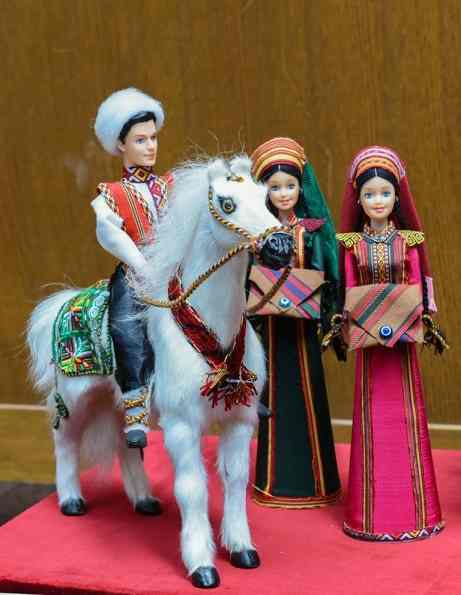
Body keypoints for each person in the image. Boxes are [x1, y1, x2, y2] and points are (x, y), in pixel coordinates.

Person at [337, 145, 447, 541]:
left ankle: (416, 512)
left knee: (406, 412)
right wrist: (354, 320)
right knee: (372, 413)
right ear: (359, 200)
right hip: (370, 341)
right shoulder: (352, 245)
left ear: (397, 197)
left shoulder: (410, 241)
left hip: (402, 340)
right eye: (370, 194)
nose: (378, 201)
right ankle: (370, 514)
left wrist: (408, 316)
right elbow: (350, 288)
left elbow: (415, 283)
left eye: (385, 193)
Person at [249, 137, 341, 508]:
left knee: (308, 392)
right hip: (271, 329)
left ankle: (316, 480)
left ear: (301, 188)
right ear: (265, 192)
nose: (284, 193)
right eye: (275, 187)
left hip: (303, 329)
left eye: (290, 186)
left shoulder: (313, 230)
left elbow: (325, 270)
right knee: (274, 392)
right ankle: (275, 481)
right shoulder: (257, 233)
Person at [92, 88, 170, 449]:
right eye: (141, 140)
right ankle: (136, 407)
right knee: (126, 323)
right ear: (121, 144)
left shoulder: (170, 185)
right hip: (137, 272)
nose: (151, 146)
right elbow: (111, 235)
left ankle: (232, 382)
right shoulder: (110, 194)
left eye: (153, 138)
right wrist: (142, 267)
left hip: (174, 269)